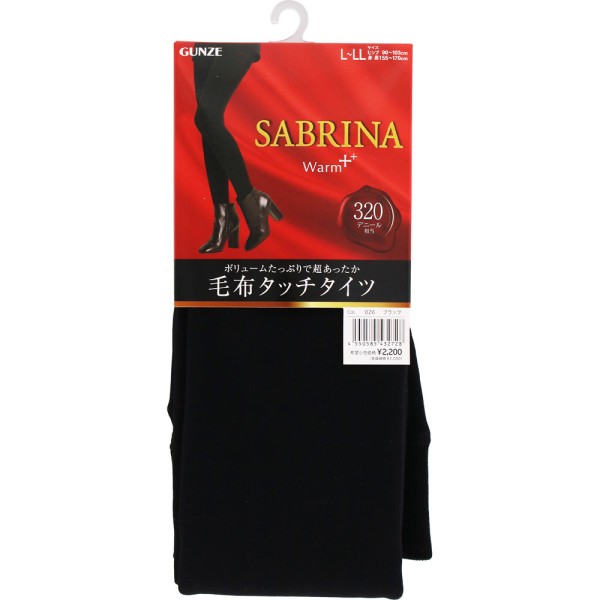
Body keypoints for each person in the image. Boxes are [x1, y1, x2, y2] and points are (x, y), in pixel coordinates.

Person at [192, 43, 283, 253]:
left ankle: (250, 197)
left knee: (208, 119)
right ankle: (224, 221)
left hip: (237, 39)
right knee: (208, 124)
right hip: (205, 42)